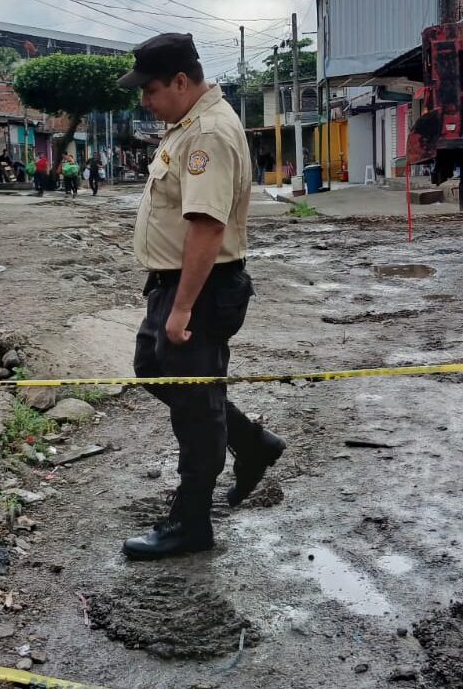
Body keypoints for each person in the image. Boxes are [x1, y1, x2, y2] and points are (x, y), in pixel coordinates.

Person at [116, 32, 284, 561]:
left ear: (182, 82)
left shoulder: (208, 133)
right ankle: (252, 443)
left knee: (194, 405)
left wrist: (184, 306)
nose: (144, 99)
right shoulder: (186, 125)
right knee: (155, 369)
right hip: (175, 284)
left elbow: (207, 229)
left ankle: (191, 524)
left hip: (202, 289)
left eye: (150, 89)